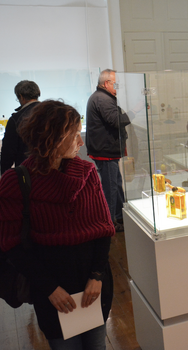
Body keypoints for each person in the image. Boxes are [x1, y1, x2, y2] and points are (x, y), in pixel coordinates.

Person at [0, 100, 116, 350]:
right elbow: (11, 246)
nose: (80, 141)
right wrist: (49, 288)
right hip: (51, 287)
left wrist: (97, 275)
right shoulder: (16, 182)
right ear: (51, 138)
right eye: (73, 134)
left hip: (92, 283)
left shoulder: (87, 172)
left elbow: (104, 229)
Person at [86, 69, 133, 232]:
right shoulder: (103, 99)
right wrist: (135, 111)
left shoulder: (101, 97)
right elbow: (115, 121)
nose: (118, 87)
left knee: (116, 184)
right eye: (116, 84)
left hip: (106, 150)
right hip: (105, 151)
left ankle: (119, 216)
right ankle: (109, 223)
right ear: (107, 83)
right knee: (111, 187)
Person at [0, 80, 41, 174]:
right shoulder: (52, 113)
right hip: (52, 168)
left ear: (21, 97)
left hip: (28, 170)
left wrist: (4, 176)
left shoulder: (16, 119)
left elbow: (8, 153)